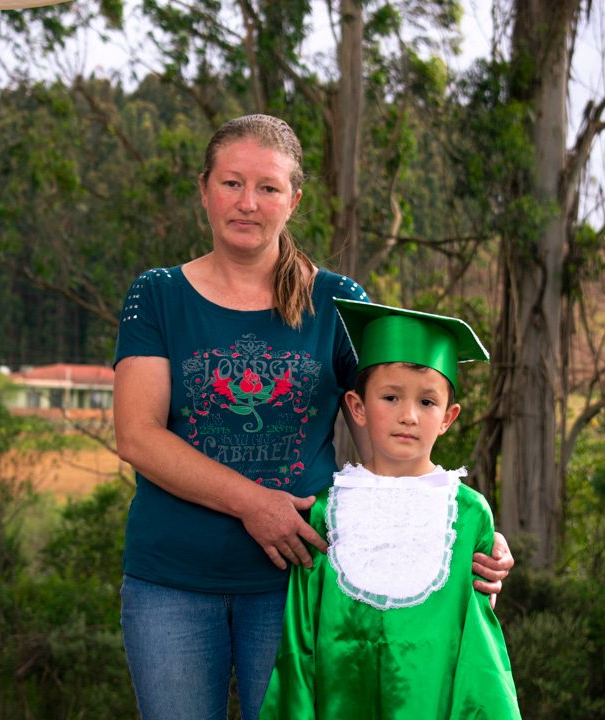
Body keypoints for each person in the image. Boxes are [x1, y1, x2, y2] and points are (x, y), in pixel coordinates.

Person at [112, 113, 514, 720]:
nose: (248, 203)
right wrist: (255, 503)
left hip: (302, 581)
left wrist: (458, 528)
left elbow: (392, 428)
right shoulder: (158, 293)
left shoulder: (336, 300)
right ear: (204, 189)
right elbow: (138, 435)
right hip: (171, 581)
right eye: (231, 183)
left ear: (293, 200)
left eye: (268, 188)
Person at [260, 299, 521, 720]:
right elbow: (299, 641)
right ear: (358, 408)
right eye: (391, 397)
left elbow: (479, 654)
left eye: (427, 403)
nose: (409, 416)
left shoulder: (468, 516)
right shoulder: (328, 513)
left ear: (449, 417)